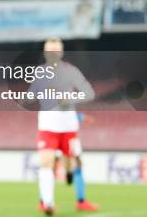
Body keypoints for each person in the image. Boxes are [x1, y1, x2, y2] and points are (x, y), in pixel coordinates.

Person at [27, 38, 97, 215]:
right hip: (47, 126)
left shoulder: (71, 72)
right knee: (46, 162)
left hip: (68, 127)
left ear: (61, 52)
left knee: (73, 164)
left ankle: (73, 183)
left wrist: (70, 100)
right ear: (44, 53)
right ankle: (47, 203)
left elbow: (90, 93)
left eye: (55, 50)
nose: (52, 53)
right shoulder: (38, 72)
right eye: (49, 50)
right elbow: (31, 96)